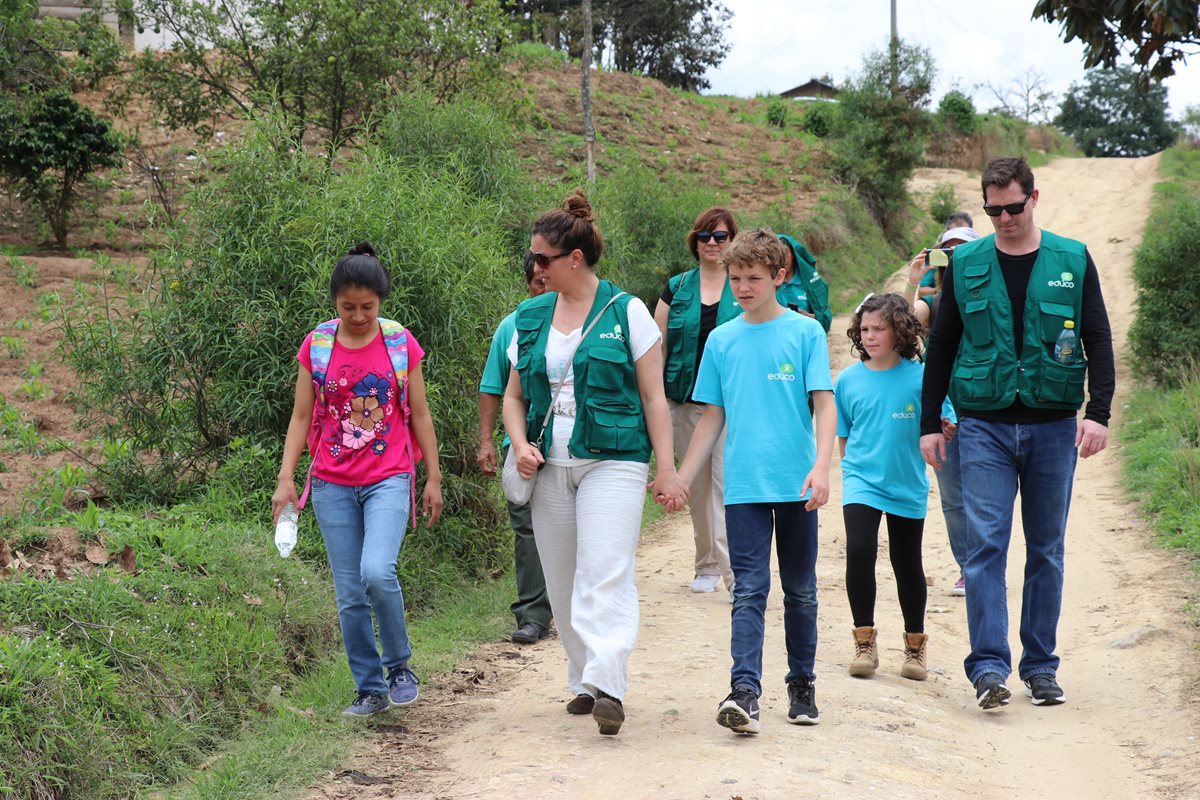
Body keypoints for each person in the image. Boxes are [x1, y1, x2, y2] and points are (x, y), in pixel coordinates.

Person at [921, 156, 1115, 710]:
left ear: (1034, 198)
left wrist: (1097, 412)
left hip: (1053, 425)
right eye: (992, 209)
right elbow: (943, 345)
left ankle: (1040, 667)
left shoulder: (1072, 259)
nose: (1003, 218)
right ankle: (988, 668)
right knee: (984, 546)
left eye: (1012, 206)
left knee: (1047, 550)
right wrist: (929, 422)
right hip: (983, 425)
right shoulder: (968, 263)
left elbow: (1098, 339)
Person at [502, 190, 685, 737]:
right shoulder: (528, 317)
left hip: (614, 461)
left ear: (574, 259)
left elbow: (654, 398)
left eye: (543, 259)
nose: (535, 268)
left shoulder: (626, 311)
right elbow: (514, 397)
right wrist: (519, 443)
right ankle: (584, 677)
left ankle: (610, 683)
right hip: (549, 466)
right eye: (534, 258)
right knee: (562, 581)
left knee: (604, 572)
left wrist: (668, 468)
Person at [662, 227, 835, 735]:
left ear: (779, 276)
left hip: (797, 483)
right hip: (743, 486)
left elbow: (824, 405)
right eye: (735, 277)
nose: (742, 286)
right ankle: (745, 691)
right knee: (749, 590)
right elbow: (711, 416)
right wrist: (682, 477)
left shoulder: (805, 333)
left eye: (754, 277)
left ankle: (802, 684)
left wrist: (822, 467)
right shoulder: (721, 339)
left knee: (801, 590)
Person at [272, 242, 443, 718]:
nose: (359, 315)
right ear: (334, 302)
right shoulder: (319, 344)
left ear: (381, 301)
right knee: (349, 592)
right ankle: (368, 689)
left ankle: (399, 667)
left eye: (368, 307)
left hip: (389, 476)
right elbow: (301, 415)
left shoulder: (398, 342)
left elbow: (421, 415)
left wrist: (433, 476)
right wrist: (287, 479)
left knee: (376, 572)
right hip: (331, 483)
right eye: (348, 307)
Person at [835, 293, 948, 682]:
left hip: (907, 481)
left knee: (906, 563)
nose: (869, 336)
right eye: (864, 329)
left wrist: (946, 429)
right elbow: (844, 435)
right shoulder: (848, 380)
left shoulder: (922, 376)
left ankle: (915, 647)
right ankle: (864, 642)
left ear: (899, 330)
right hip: (861, 479)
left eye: (878, 328)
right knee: (860, 550)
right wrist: (853, 471)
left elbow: (944, 421)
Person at [653, 207, 740, 594]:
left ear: (732, 240)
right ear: (695, 241)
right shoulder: (677, 286)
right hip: (686, 402)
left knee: (726, 487)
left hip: (730, 405)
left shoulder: (742, 286)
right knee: (700, 490)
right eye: (705, 236)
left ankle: (737, 574)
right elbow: (658, 347)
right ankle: (706, 564)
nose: (712, 243)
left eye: (720, 236)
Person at [477, 251, 552, 644]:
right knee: (526, 529)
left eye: (550, 278)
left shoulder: (584, 322)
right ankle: (533, 614)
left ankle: (572, 604)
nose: (546, 286)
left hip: (573, 444)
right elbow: (493, 387)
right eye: (538, 281)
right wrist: (487, 441)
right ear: (528, 284)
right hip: (521, 444)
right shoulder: (513, 327)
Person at [903, 227, 980, 597]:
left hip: (987, 406)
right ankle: (970, 567)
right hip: (946, 413)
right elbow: (901, 327)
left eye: (962, 250)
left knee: (987, 494)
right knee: (953, 497)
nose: (954, 257)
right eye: (947, 251)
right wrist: (913, 281)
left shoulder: (990, 296)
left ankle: (986, 562)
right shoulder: (933, 304)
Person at [776, 233, 833, 333]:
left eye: (785, 253)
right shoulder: (769, 283)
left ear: (793, 254)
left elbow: (824, 317)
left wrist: (813, 318)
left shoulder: (811, 283)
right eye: (778, 254)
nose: (783, 259)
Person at [915, 226, 980, 299]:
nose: (955, 253)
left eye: (962, 247)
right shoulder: (934, 301)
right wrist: (912, 283)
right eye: (948, 249)